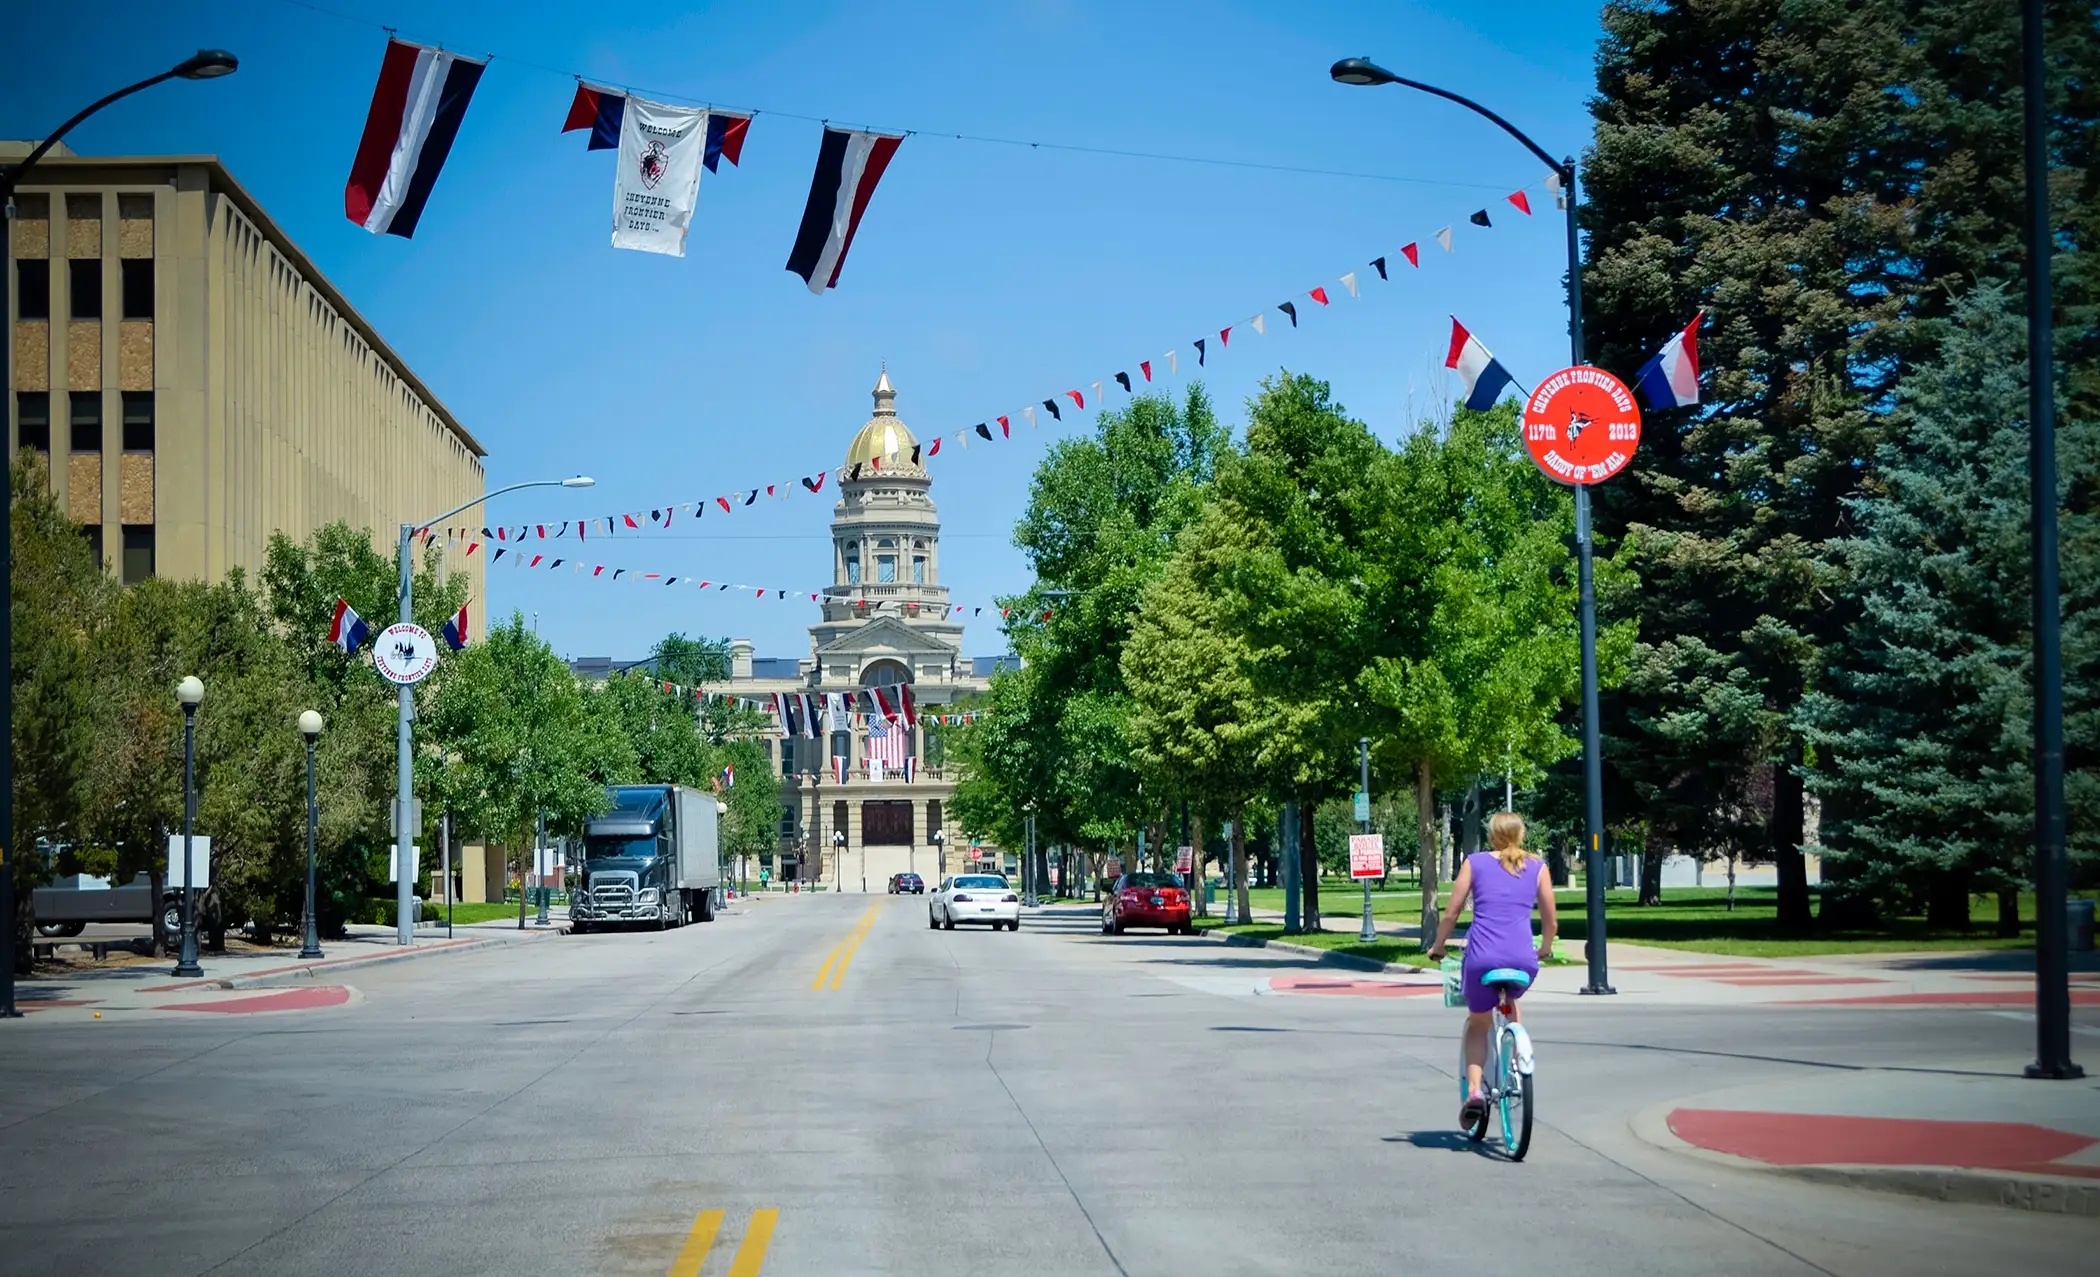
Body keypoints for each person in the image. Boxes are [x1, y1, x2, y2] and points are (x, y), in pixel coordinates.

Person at [1427, 812, 1557, 1129]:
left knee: (1479, 1023)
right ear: (1521, 835)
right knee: (1511, 1001)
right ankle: (1517, 1060)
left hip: (1482, 958)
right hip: (1522, 960)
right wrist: (1544, 948)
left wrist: (1438, 946)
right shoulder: (1538, 867)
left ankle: (1474, 1091)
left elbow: (1452, 911)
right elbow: (1551, 920)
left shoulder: (1475, 862)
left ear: (1492, 836)